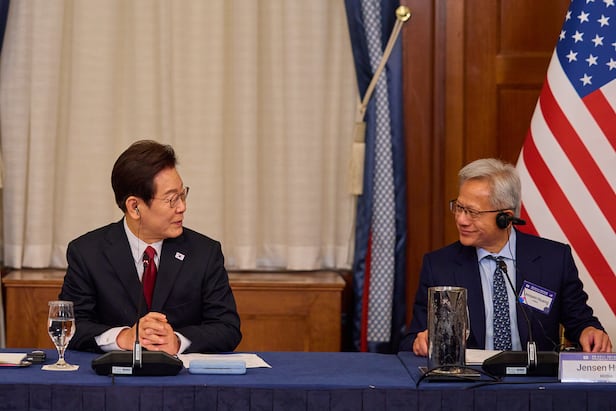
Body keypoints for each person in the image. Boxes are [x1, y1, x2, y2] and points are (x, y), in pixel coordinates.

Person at [400, 158, 611, 355]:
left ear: (505, 218)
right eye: (459, 207)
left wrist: (589, 331)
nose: (461, 220)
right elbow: (411, 339)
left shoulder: (553, 259)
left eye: (472, 212)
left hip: (536, 378)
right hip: (469, 378)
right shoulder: (439, 266)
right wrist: (420, 341)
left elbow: (580, 320)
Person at [59, 140, 242, 355]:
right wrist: (123, 337)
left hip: (179, 374)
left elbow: (227, 328)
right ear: (135, 207)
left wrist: (177, 341)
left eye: (182, 195)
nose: (182, 207)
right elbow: (69, 326)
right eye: (172, 199)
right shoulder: (87, 253)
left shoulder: (204, 253)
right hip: (113, 374)